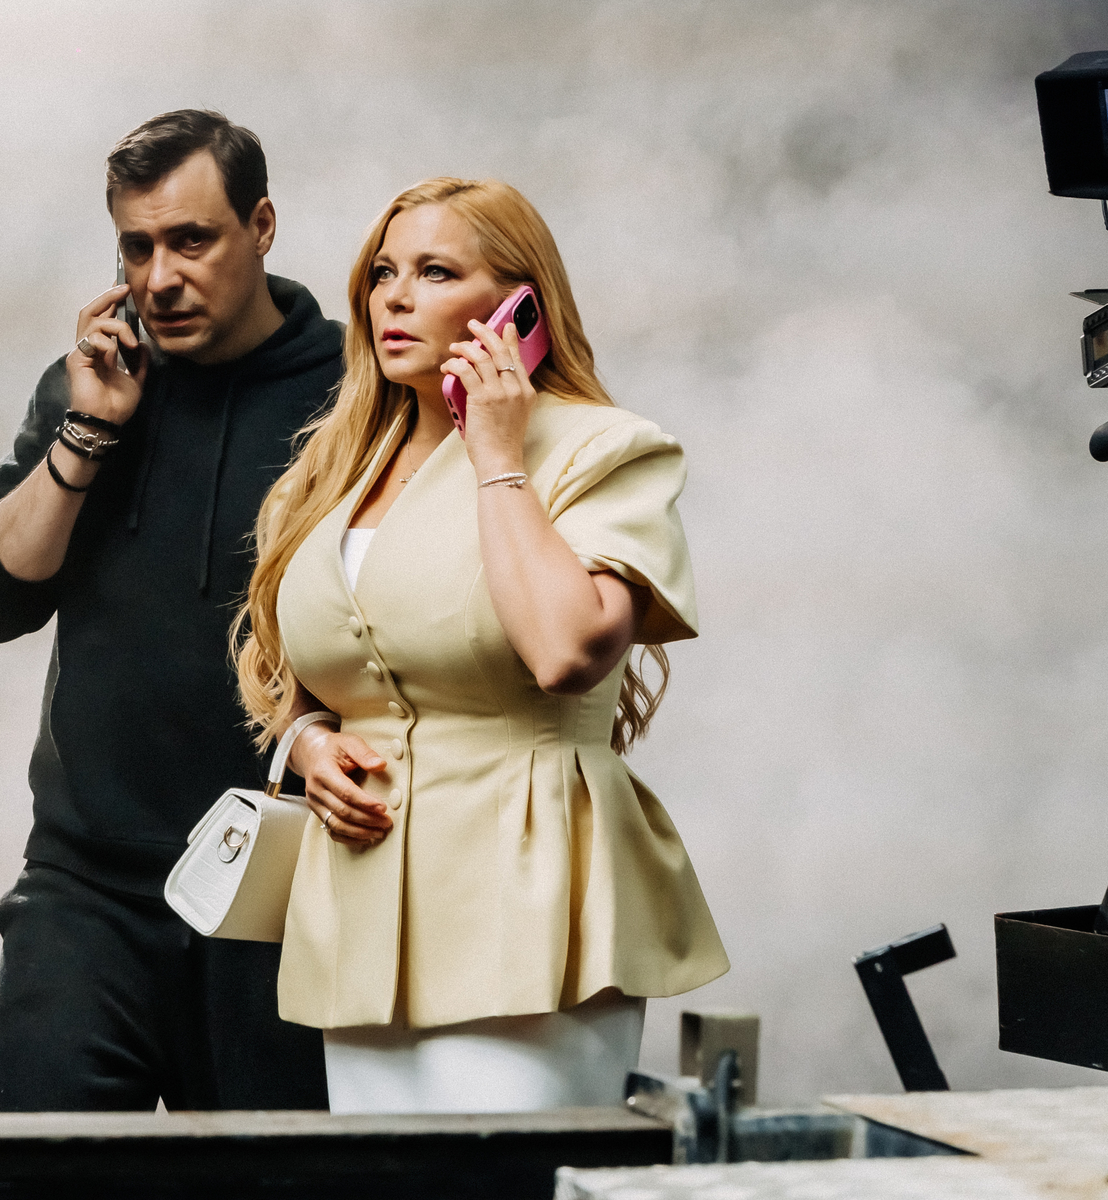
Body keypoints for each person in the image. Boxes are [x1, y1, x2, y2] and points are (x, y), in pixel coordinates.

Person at [232, 177, 729, 1114]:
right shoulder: (338, 467)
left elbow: (566, 652)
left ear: (518, 304)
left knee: (511, 1175)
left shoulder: (604, 449)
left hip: (527, 890)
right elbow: (316, 672)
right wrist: (305, 744)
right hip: (360, 901)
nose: (394, 297)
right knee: (384, 1182)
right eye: (383, 273)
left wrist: (498, 457)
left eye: (434, 271)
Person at [0, 110, 338, 1112]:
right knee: (50, 1173)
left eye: (191, 241)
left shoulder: (358, 393)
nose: (159, 277)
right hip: (87, 889)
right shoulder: (95, 380)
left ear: (261, 226)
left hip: (280, 889)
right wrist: (86, 433)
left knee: (276, 1182)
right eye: (136, 246)